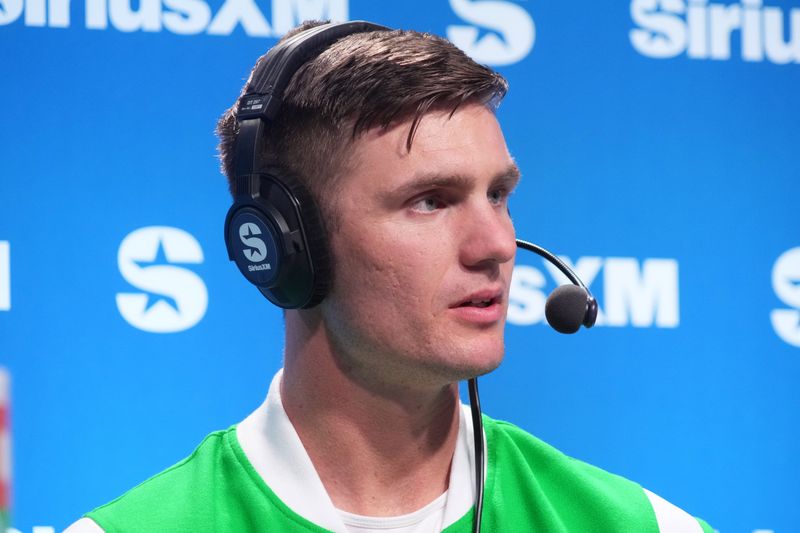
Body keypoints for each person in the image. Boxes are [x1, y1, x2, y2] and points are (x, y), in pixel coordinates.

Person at [67, 20, 713, 533]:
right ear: (289, 247)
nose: (496, 245)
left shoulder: (647, 526)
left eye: (498, 195)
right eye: (430, 201)